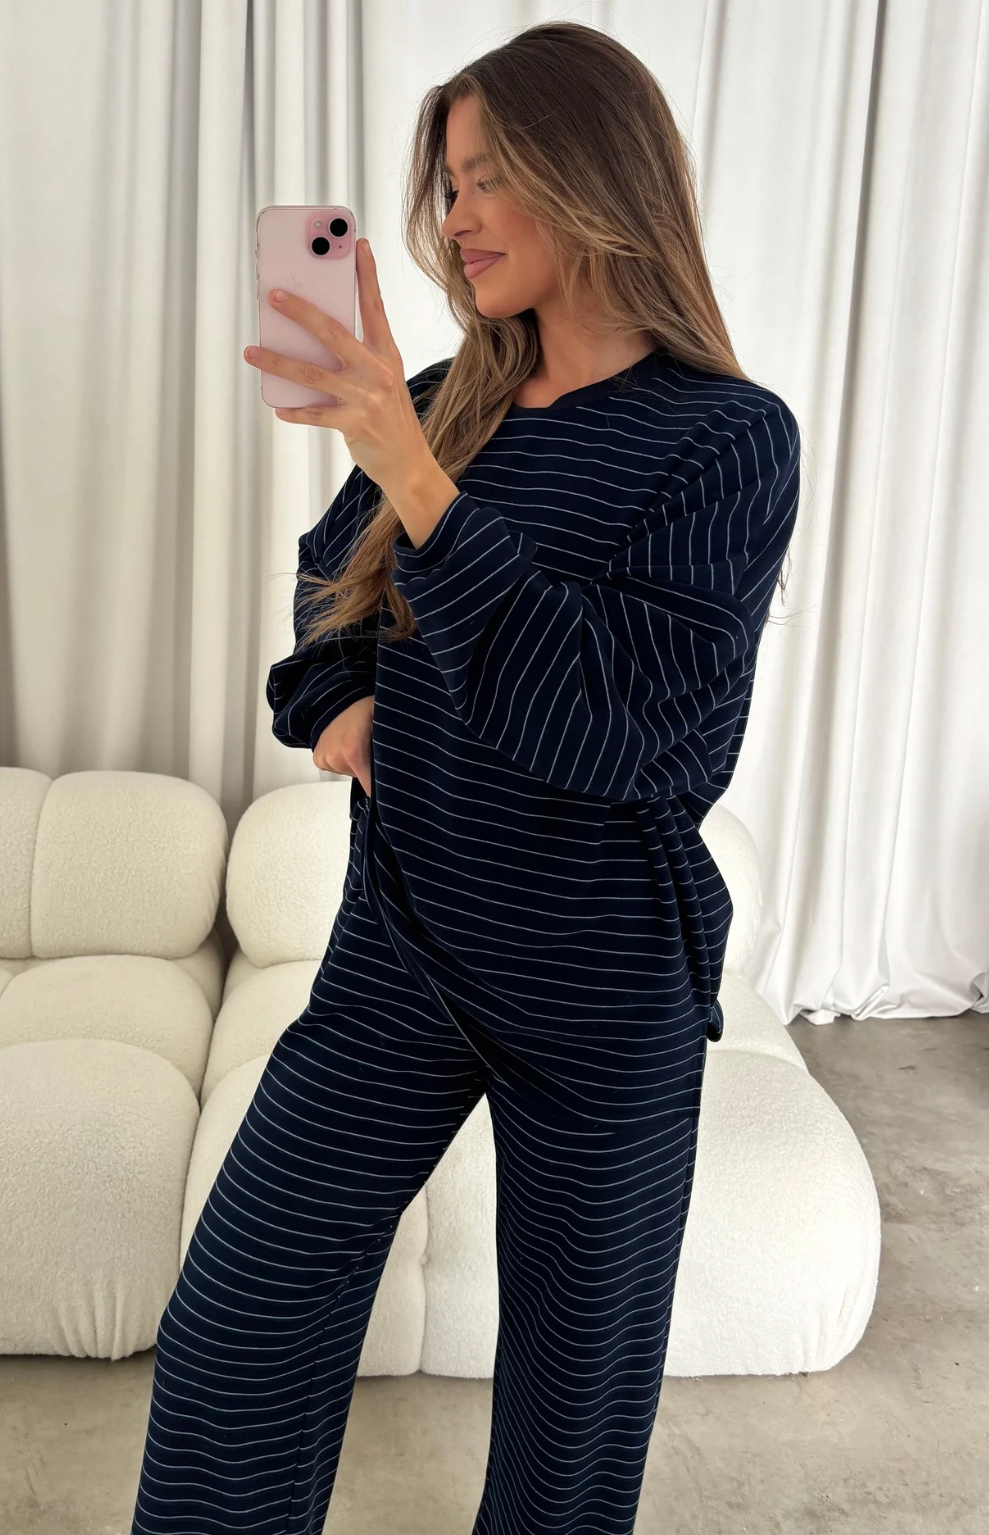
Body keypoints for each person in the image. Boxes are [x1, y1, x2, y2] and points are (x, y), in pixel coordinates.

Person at [130, 20, 801, 1535]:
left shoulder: (726, 440)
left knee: (567, 1439)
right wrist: (343, 699)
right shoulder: (444, 397)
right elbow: (331, 590)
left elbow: (628, 737)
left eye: (490, 177)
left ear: (596, 175)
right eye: (446, 184)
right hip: (401, 956)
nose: (456, 217)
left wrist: (418, 475)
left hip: (600, 992)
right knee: (234, 1336)